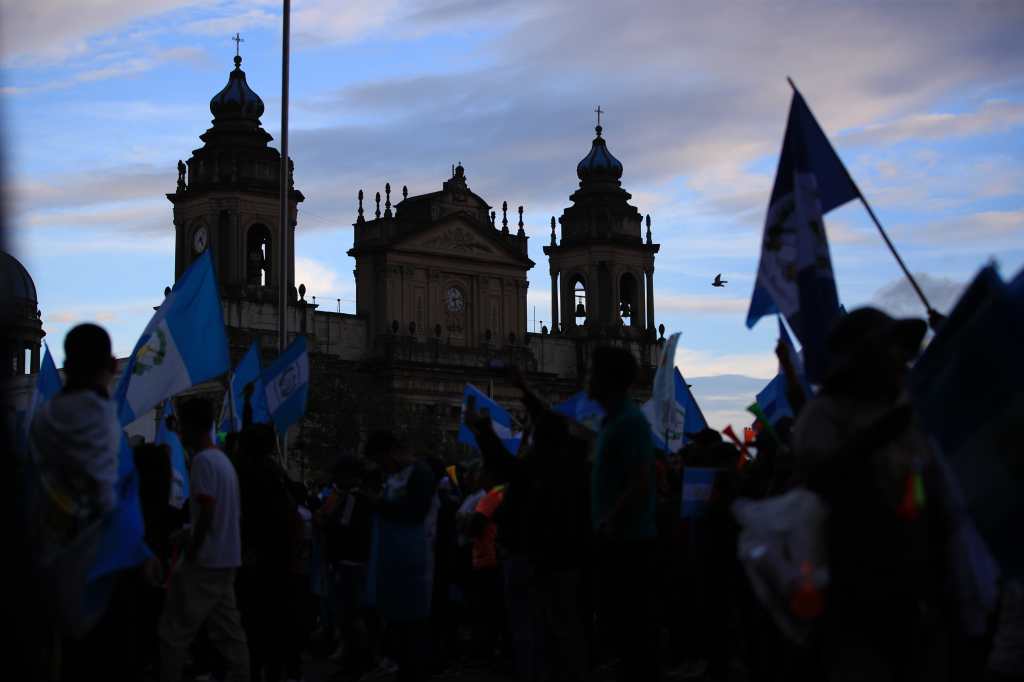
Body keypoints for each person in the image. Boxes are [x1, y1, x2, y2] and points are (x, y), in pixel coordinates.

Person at [158, 397, 249, 682]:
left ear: (192, 427)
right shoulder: (222, 462)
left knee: (173, 633)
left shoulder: (203, 461)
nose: (179, 433)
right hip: (226, 558)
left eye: (181, 427)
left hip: (206, 561)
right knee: (229, 634)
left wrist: (192, 550)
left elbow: (208, 511)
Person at [587, 346, 660, 682]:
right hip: (616, 542)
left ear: (608, 380)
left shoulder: (630, 422)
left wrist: (608, 520)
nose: (588, 378)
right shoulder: (611, 422)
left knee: (633, 636)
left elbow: (642, 479)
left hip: (629, 545)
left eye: (593, 372)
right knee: (619, 634)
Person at [363, 430, 440, 682]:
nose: (382, 467)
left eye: (380, 460)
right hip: (393, 562)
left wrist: (378, 504)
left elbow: (415, 512)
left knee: (414, 628)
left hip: (415, 562)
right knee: (398, 625)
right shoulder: (394, 477)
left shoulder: (420, 474)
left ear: (392, 452)